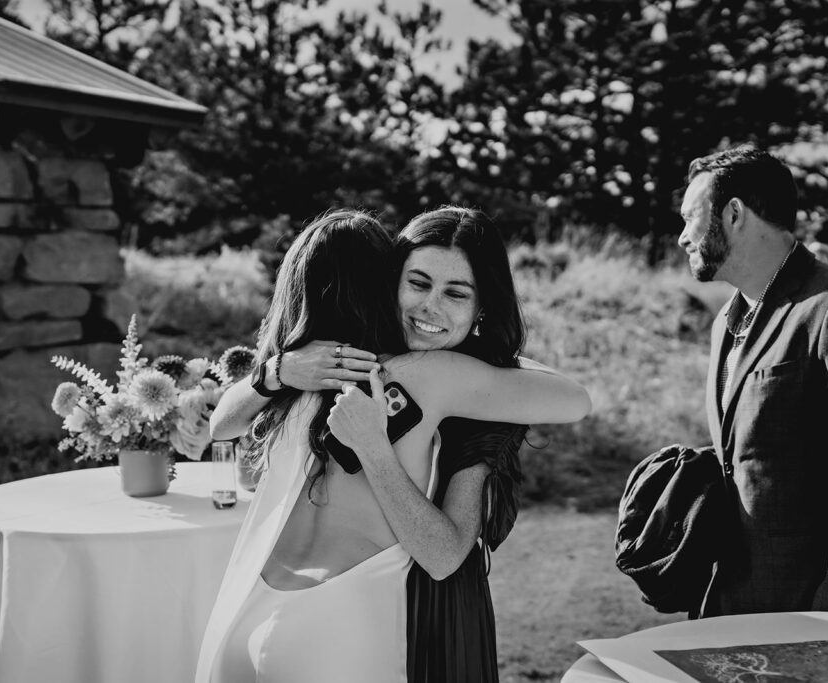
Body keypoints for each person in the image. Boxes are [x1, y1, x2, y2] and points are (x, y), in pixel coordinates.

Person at [195, 209, 591, 682]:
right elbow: (575, 401)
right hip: (338, 625)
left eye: (455, 294)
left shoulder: (312, 368)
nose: (429, 307)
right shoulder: (437, 375)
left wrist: (277, 368)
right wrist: (483, 353)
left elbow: (220, 426)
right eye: (417, 284)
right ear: (388, 279)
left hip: (252, 602)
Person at [677, 144, 828, 616]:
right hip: (728, 601)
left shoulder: (824, 307)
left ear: (734, 214)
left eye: (690, 218)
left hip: (808, 610)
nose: (683, 237)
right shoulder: (725, 320)